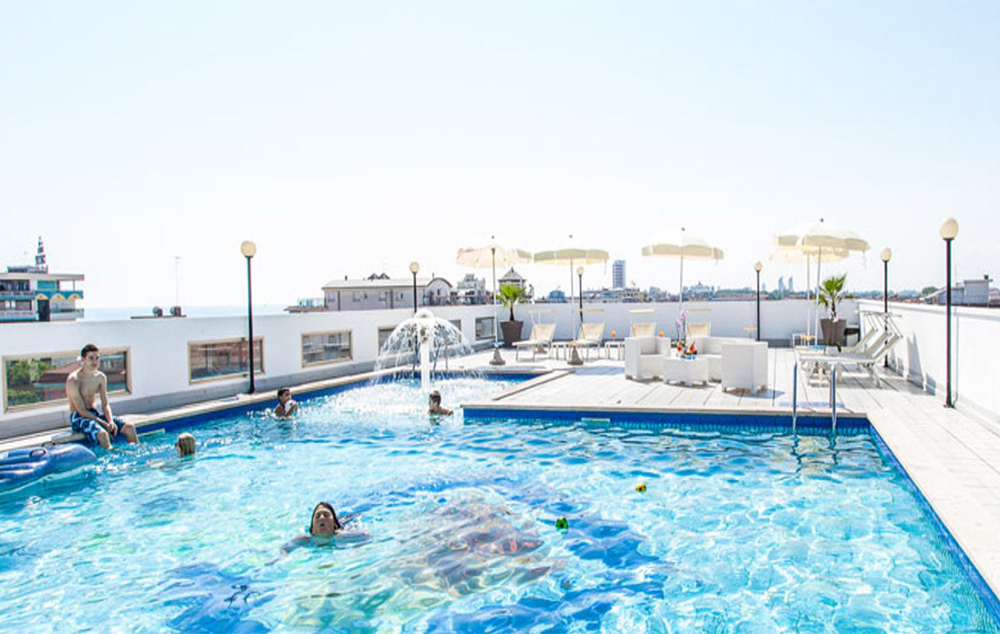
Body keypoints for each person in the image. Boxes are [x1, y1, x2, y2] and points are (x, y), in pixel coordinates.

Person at [66, 343, 137, 449]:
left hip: (94, 414)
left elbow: (105, 404)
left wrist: (110, 421)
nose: (94, 362)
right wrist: (104, 424)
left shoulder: (100, 377)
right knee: (102, 434)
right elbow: (81, 410)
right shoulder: (74, 380)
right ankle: (113, 454)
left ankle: (137, 453)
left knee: (129, 427)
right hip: (78, 417)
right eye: (91, 358)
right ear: (83, 360)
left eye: (97, 358)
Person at [280, 502, 345, 556]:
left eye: (326, 515)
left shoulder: (343, 536)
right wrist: (282, 557)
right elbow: (285, 548)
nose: (322, 518)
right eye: (317, 516)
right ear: (312, 529)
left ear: (334, 525)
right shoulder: (304, 539)